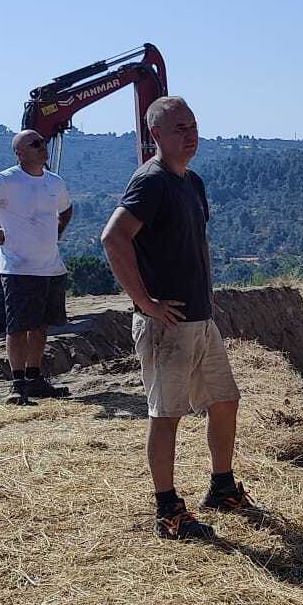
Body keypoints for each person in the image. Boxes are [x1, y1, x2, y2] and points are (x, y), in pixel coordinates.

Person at [99, 96, 253, 540]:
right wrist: (145, 303)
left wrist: (207, 297)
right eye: (179, 128)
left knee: (224, 401)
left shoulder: (191, 182)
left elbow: (198, 242)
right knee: (166, 415)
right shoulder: (151, 182)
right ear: (156, 136)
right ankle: (168, 510)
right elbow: (113, 238)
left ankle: (221, 486)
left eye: (193, 126)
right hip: (165, 325)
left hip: (199, 320)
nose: (190, 135)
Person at [0, 130, 74, 403]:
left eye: (43, 142)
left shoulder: (54, 182)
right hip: (19, 268)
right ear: (19, 153)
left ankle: (34, 378)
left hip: (51, 268)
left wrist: (57, 230)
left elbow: (67, 209)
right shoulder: (5, 181)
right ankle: (17, 383)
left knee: (41, 326)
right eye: (35, 144)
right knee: (18, 327)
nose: (42, 147)